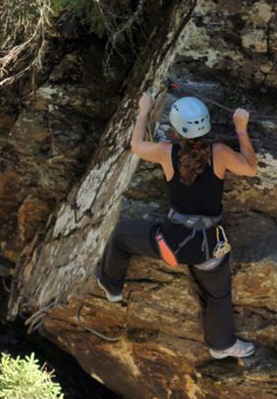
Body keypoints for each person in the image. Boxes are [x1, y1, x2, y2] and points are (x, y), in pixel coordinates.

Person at [96, 92, 258, 359]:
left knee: (122, 233)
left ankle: (111, 286)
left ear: (175, 128)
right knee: (218, 295)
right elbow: (251, 168)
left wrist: (144, 111)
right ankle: (222, 345)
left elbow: (136, 145)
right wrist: (241, 131)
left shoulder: (166, 152)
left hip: (172, 243)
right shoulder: (219, 153)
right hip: (209, 248)